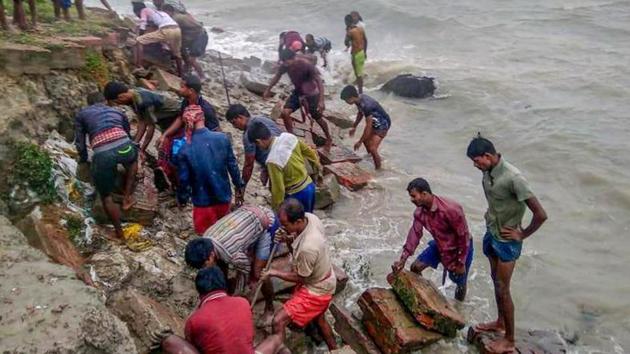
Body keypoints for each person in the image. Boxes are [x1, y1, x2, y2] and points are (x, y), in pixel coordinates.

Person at [467, 136, 547, 353]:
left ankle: (510, 340)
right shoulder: (487, 172)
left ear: (489, 156)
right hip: (492, 232)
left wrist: (522, 234)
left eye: (477, 161)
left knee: (504, 289)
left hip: (507, 242)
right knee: (495, 282)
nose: (475, 165)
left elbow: (540, 214)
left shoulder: (514, 178)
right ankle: (500, 322)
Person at [259, 199, 338, 351]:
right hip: (326, 278)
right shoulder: (311, 218)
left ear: (299, 221)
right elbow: (296, 250)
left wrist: (273, 272)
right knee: (320, 320)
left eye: (285, 225)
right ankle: (334, 349)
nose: (282, 227)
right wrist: (287, 237)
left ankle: (280, 350)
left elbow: (301, 277)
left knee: (278, 321)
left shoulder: (308, 247)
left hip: (317, 289)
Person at [155, 267, 288, 354]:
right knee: (275, 339)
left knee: (169, 340)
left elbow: (194, 346)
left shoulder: (195, 320)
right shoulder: (242, 303)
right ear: (224, 286)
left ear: (200, 293)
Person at [184, 205, 279, 322]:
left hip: (267, 222)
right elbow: (220, 263)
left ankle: (270, 307)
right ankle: (225, 289)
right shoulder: (206, 238)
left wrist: (236, 296)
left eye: (203, 266)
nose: (203, 269)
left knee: (259, 272)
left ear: (211, 256)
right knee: (220, 263)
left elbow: (245, 270)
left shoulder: (232, 255)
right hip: (246, 217)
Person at [391, 178, 474, 301]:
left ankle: (458, 309)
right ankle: (427, 298)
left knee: (460, 282)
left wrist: (461, 262)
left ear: (424, 194)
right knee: (415, 268)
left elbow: (463, 237)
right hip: (440, 245)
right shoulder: (420, 213)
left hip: (460, 247)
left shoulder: (451, 209)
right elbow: (414, 234)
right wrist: (403, 259)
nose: (411, 200)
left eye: (413, 196)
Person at [74, 92, 138, 239]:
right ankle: (127, 196)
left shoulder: (82, 114)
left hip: (103, 155)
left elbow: (80, 142)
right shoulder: (116, 111)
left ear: (89, 103)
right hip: (125, 147)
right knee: (133, 160)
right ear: (104, 101)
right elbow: (127, 133)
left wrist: (84, 159)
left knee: (106, 196)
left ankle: (119, 233)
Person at [175, 105, 244, 234]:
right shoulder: (222, 138)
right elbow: (232, 166)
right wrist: (239, 186)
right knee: (223, 236)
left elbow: (184, 180)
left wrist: (182, 199)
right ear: (203, 118)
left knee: (205, 238)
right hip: (223, 196)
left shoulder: (184, 149)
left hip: (202, 202)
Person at [154, 75, 220, 188]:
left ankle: (181, 185)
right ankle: (165, 172)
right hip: (186, 133)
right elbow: (180, 119)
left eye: (182, 87)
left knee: (181, 155)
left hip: (201, 139)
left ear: (191, 90)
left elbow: (216, 132)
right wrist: (165, 135)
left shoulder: (206, 109)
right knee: (166, 142)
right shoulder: (186, 101)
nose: (179, 89)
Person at [263, 49, 333, 148]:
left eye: (287, 61)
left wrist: (321, 101)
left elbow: (319, 82)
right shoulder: (285, 65)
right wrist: (268, 89)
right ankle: (292, 138)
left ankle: (329, 137)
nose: (286, 64)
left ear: (293, 58)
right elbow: (277, 76)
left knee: (317, 117)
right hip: (298, 93)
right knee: (285, 113)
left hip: (312, 94)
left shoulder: (306, 65)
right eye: (284, 62)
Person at [247, 122, 321, 212]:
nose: (259, 148)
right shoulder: (288, 137)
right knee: (308, 218)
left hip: (296, 195)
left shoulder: (272, 160)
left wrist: (276, 211)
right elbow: (310, 154)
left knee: (296, 222)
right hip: (309, 185)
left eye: (257, 145)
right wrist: (316, 173)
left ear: (259, 141)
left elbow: (278, 190)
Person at [103, 81, 181, 157]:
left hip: (177, 117)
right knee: (165, 150)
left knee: (173, 149)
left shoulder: (143, 101)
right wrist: (135, 143)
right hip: (165, 121)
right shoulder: (133, 97)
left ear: (121, 96)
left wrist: (143, 149)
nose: (120, 104)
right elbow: (142, 122)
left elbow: (151, 127)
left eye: (118, 102)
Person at [225, 104, 282, 190]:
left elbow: (249, 164)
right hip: (285, 154)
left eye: (234, 122)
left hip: (276, 165)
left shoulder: (249, 134)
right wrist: (265, 169)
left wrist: (242, 186)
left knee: (278, 190)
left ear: (240, 117)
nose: (234, 127)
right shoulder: (262, 118)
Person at [340, 85, 390, 170]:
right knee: (366, 141)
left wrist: (359, 141)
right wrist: (354, 126)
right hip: (375, 120)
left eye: (346, 100)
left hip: (383, 123)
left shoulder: (367, 105)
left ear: (351, 97)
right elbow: (360, 113)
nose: (346, 102)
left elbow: (368, 126)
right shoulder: (358, 100)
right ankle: (373, 158)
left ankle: (379, 170)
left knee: (372, 147)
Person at [132, 1, 183, 76]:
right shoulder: (160, 13)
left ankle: (139, 66)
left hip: (166, 30)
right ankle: (180, 75)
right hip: (177, 30)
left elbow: (143, 24)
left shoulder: (144, 10)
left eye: (137, 14)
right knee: (177, 54)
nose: (138, 16)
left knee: (139, 41)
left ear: (137, 11)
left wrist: (139, 36)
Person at [162, 4, 208, 80]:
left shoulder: (176, 18)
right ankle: (187, 68)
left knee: (191, 59)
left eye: (164, 13)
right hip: (191, 36)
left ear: (169, 11)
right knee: (181, 49)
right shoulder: (178, 15)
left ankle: (202, 76)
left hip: (199, 36)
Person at [344, 14, 366, 94]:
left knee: (358, 75)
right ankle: (361, 91)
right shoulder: (360, 29)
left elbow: (346, 43)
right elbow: (365, 41)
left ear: (346, 22)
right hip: (362, 52)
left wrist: (347, 32)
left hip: (355, 54)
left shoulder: (350, 32)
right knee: (359, 73)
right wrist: (365, 52)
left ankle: (360, 93)